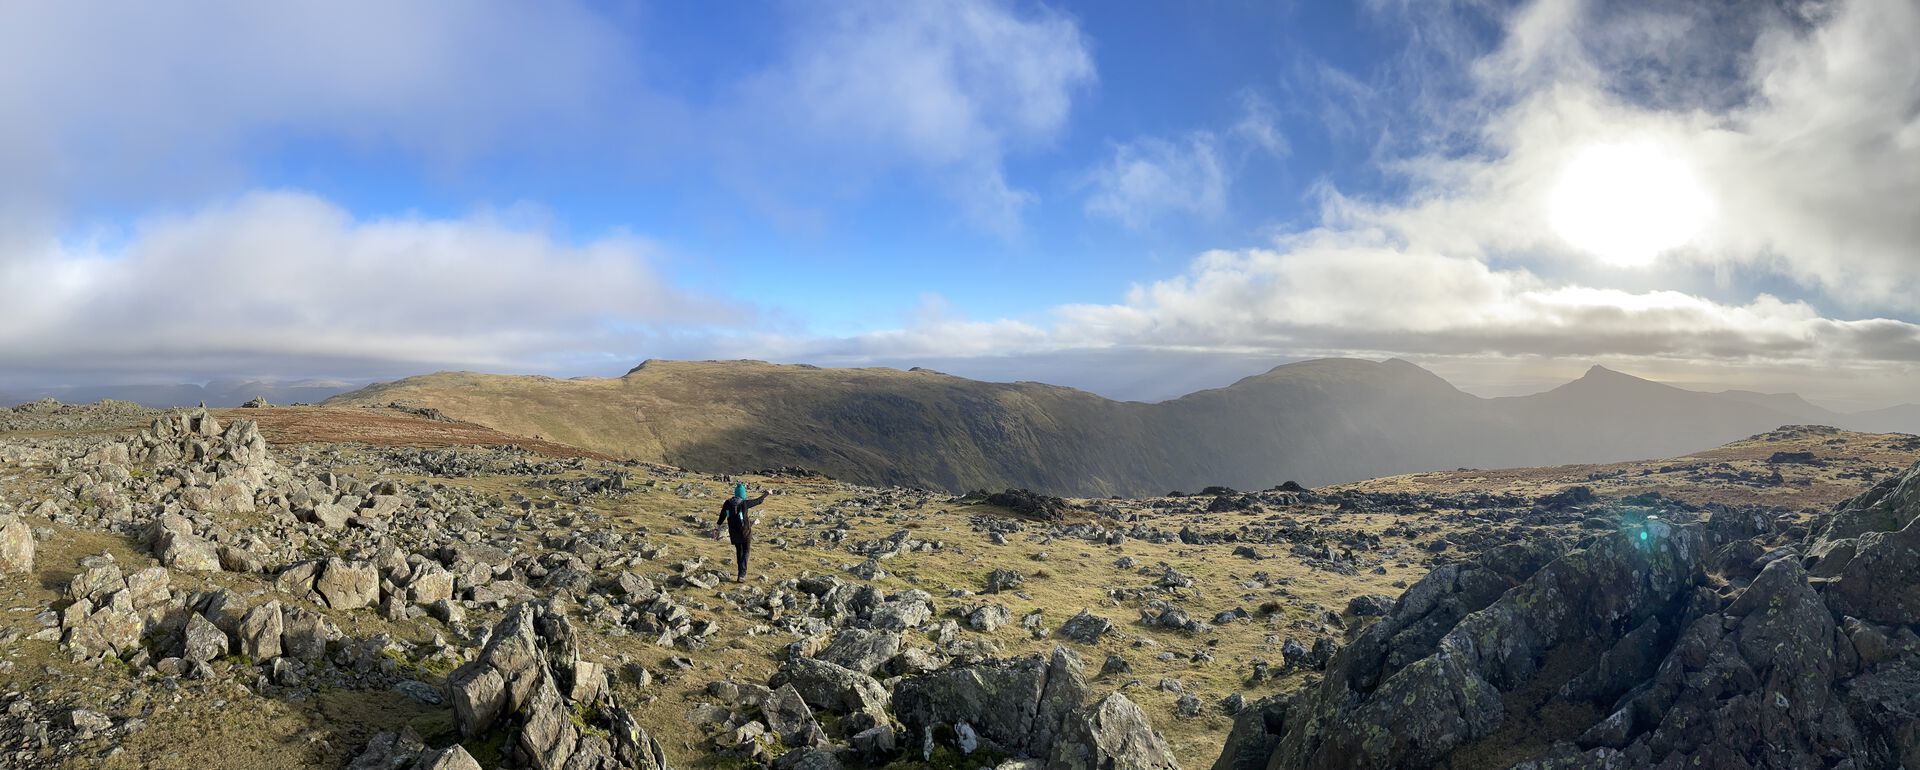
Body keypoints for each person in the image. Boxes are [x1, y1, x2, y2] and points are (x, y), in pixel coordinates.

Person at [715, 482, 767, 582]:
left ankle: (740, 573)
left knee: (739, 551)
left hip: (734, 533)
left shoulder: (727, 503)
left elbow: (722, 516)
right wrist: (767, 493)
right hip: (745, 533)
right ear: (743, 494)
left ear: (735, 493)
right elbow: (759, 501)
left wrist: (717, 528)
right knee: (746, 552)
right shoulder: (744, 503)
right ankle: (741, 574)